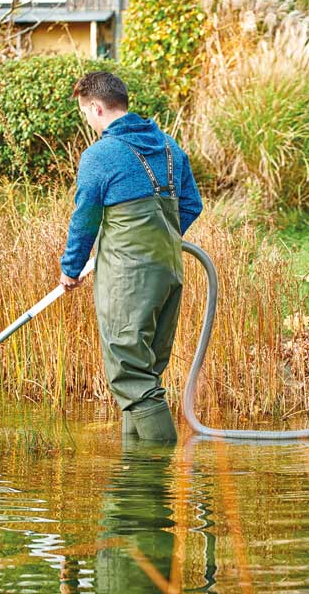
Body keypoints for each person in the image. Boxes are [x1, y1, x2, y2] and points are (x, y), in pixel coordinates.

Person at [59, 71, 203, 441]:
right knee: (146, 374)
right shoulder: (170, 147)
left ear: (96, 107)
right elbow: (191, 204)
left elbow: (85, 218)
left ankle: (158, 468)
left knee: (130, 373)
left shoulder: (100, 155)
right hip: (169, 271)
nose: (88, 121)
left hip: (128, 280)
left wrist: (70, 269)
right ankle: (136, 474)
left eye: (86, 113)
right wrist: (159, 239)